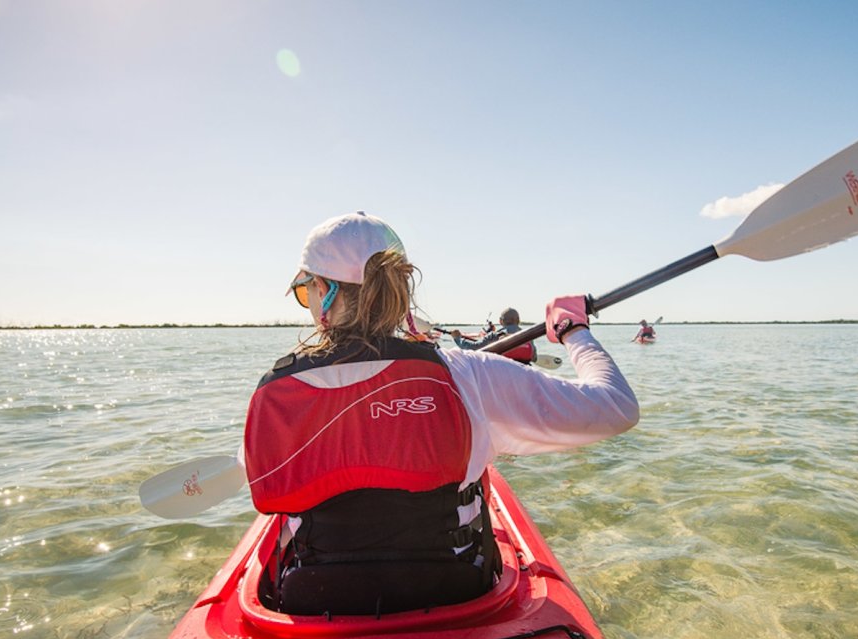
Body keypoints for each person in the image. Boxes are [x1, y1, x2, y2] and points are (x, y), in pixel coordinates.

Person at [242, 211, 639, 616]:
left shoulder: (276, 390)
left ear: (323, 291)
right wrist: (574, 331)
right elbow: (616, 406)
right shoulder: (466, 373)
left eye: (305, 292)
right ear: (398, 285)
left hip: (315, 598)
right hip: (458, 591)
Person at [450, 307, 536, 365]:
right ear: (518, 320)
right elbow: (534, 358)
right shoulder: (528, 336)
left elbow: (473, 348)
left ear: (500, 321)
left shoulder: (495, 335)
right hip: (525, 376)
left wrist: (458, 338)